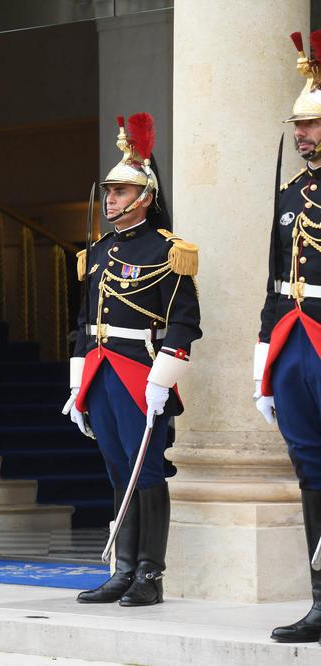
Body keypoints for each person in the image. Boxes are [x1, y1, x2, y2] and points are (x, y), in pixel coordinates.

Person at [62, 114, 201, 606]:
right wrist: (77, 388)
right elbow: (83, 323)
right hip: (100, 370)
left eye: (120, 192)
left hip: (141, 372)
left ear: (144, 197)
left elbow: (184, 323)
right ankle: (122, 569)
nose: (110, 199)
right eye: (109, 192)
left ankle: (150, 574)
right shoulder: (97, 250)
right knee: (117, 469)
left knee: (147, 472)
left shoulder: (168, 250)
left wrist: (163, 379)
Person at [258, 31, 321, 644]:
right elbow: (275, 277)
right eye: (298, 125)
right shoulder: (288, 195)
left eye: (311, 124)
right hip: (294, 338)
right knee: (308, 466)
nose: (301, 134)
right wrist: (263, 359)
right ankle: (320, 599)